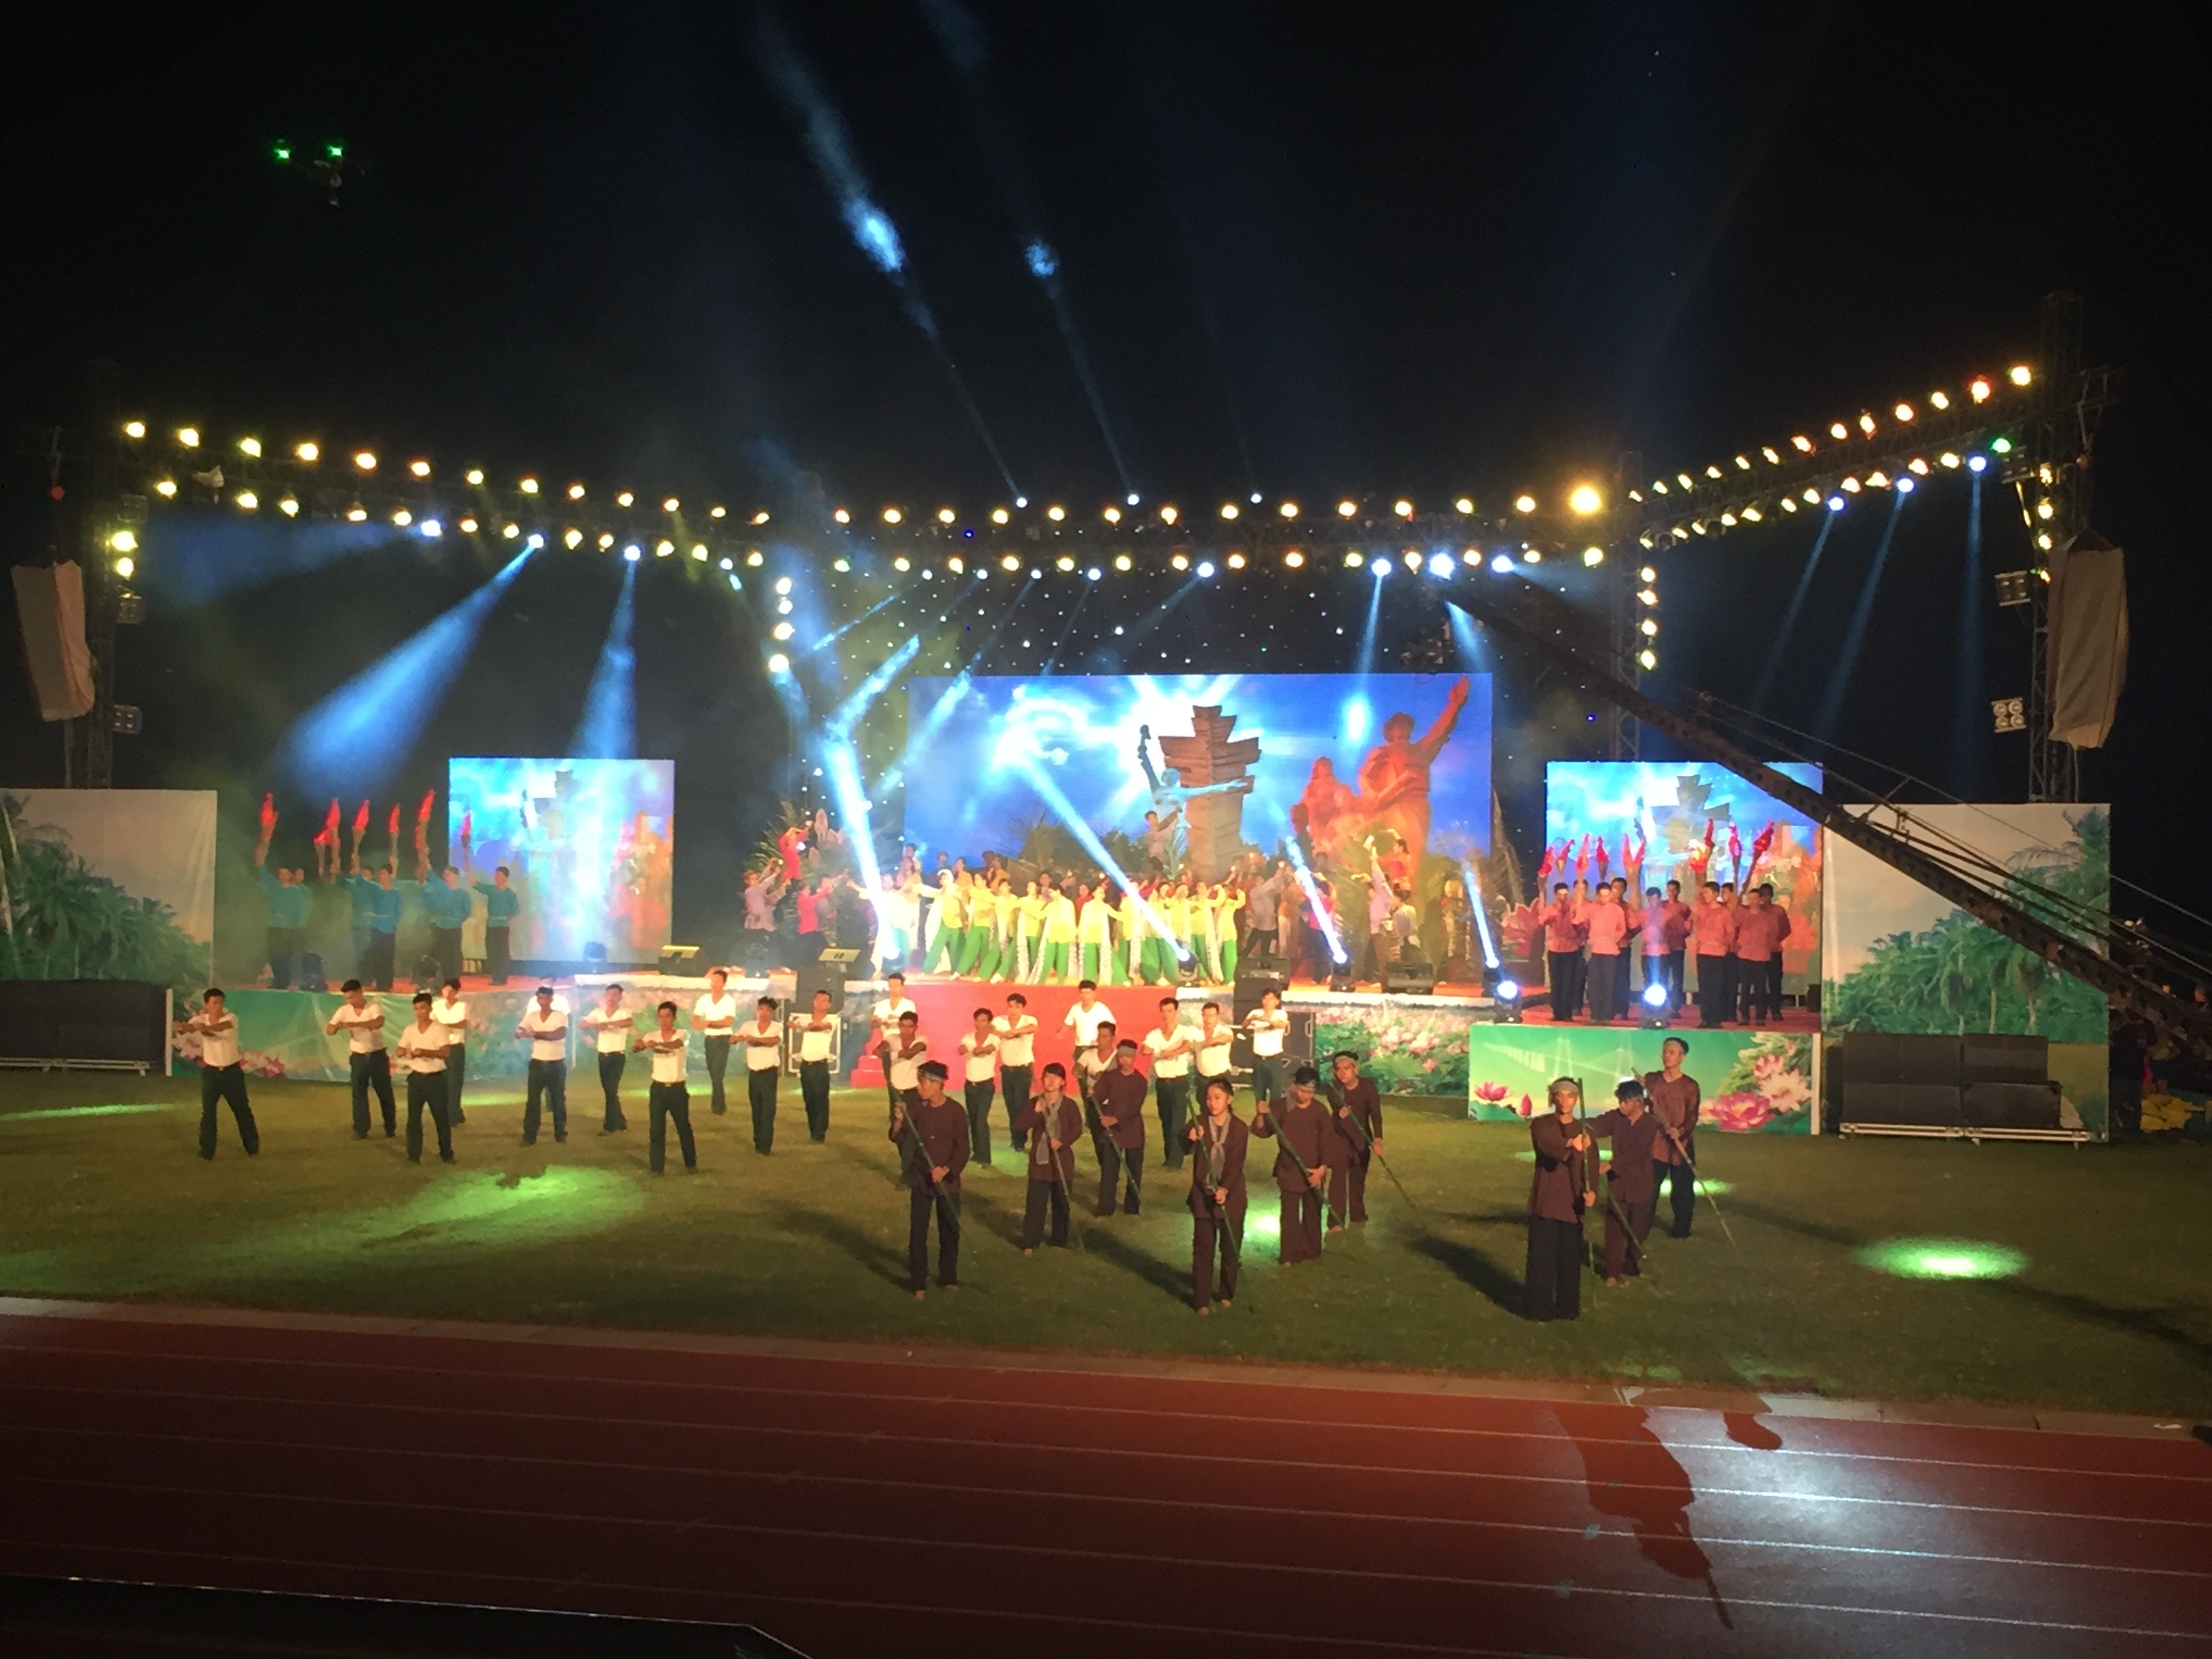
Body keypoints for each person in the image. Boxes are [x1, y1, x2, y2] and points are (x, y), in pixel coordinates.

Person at [890, 1061, 969, 1298]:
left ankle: (949, 1276)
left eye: (923, 1082)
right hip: (921, 1179)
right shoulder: (916, 1109)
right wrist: (898, 1120)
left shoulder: (956, 1112)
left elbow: (963, 1149)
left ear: (937, 1084)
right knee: (918, 1231)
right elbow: (899, 1138)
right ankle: (918, 1281)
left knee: (949, 1230)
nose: (919, 1087)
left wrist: (946, 1169)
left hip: (947, 1182)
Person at [1525, 1078, 1595, 1322]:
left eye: (1570, 1096)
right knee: (1541, 1259)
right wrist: (1570, 1144)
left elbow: (1591, 1164)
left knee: (1570, 1260)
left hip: (1573, 1203)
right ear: (1553, 1098)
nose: (1565, 1101)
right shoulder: (1541, 1124)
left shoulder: (1585, 1131)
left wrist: (1591, 1191)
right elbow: (1547, 1146)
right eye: (1560, 1095)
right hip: (1546, 1201)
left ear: (1577, 1100)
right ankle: (1538, 1308)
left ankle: (1567, 1308)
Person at [1584, 1078, 1662, 1286]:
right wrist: (1581, 1128)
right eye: (1620, 1101)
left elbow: (1637, 1151)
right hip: (1618, 1184)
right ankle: (1612, 1271)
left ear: (1637, 1102)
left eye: (1624, 1102)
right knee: (1614, 1227)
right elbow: (1597, 1125)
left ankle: (1632, 1265)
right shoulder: (1617, 1118)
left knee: (1638, 1228)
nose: (1621, 1106)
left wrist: (1611, 1165)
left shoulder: (1650, 1123)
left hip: (1641, 1182)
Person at [1184, 1075, 1250, 1312]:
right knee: (1203, 1250)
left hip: (1232, 1197)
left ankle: (1226, 1292)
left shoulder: (1240, 1128)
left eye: (1217, 1098)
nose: (1212, 1103)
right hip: (1203, 1196)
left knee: (1230, 1249)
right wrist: (1190, 1137)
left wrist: (1225, 1188)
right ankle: (1201, 1299)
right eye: (1209, 1098)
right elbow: (1183, 1146)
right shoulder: (1199, 1122)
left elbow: (1236, 1162)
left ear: (1229, 1099)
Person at [1252, 1064, 1328, 1263]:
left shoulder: (1320, 1111)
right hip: (1289, 1169)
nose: (1306, 1096)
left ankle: (1312, 1250)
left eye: (1310, 1092)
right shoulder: (1282, 1107)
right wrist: (1261, 1114)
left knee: (1313, 1212)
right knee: (1289, 1215)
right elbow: (1262, 1131)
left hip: (1314, 1171)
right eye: (1302, 1091)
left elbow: (1327, 1142)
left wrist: (1321, 1170)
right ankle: (1289, 1254)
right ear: (1295, 1086)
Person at [179, 989, 258, 1159]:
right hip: (211, 1073)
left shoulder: (231, 1018)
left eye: (221, 1003)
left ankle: (252, 1147)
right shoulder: (201, 1020)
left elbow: (221, 1028)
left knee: (242, 1110)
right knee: (208, 1112)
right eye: (214, 1003)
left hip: (232, 1073)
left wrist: (202, 1028)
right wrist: (182, 1027)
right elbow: (189, 1028)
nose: (218, 1007)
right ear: (206, 1005)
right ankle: (207, 1151)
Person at [1015, 1061, 1082, 1253]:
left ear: (1063, 1082)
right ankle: (1030, 1241)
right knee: (1035, 1204)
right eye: (1047, 1077)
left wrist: (1063, 1141)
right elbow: (1020, 1126)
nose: (1051, 1081)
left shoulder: (1069, 1105)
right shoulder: (1035, 1103)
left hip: (1062, 1161)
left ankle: (1059, 1240)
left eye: (1056, 1077)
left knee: (1061, 1203)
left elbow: (1077, 1128)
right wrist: (1035, 1112)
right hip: (1040, 1162)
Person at [1645, 1036, 1702, 1238]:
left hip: (1680, 1143)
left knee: (1683, 1191)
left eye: (1671, 1052)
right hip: (1655, 1143)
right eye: (1665, 1052)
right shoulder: (1651, 1080)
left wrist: (1681, 1131)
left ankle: (1682, 1229)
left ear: (1681, 1057)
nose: (1666, 1056)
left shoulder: (1690, 1086)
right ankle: (1642, 1224)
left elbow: (1693, 1114)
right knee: (1649, 1187)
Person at [1322, 1049, 1384, 1228]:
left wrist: (1378, 1139)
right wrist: (1339, 1112)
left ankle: (1358, 1215)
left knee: (1358, 1180)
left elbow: (1375, 1114)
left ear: (1355, 1069)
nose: (1342, 1073)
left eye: (1347, 1069)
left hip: (1361, 1139)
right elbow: (1336, 1111)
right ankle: (1336, 1221)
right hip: (1339, 1138)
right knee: (1338, 1181)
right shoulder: (1334, 1088)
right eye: (1338, 1069)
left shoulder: (1367, 1088)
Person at [327, 979, 396, 1139]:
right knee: (358, 1094)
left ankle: (390, 1126)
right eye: (347, 998)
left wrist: (354, 1024)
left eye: (352, 997)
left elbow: (379, 1022)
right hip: (358, 1057)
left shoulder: (373, 1006)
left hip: (377, 1056)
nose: (350, 1001)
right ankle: (361, 1128)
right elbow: (329, 1029)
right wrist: (336, 1027)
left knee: (384, 1092)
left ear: (360, 992)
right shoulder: (344, 1010)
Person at [634, 1000, 696, 1174]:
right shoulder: (651, 1036)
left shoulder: (683, 1034)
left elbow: (675, 1045)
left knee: (683, 1127)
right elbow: (638, 1046)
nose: (664, 1020)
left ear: (674, 1018)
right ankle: (656, 1168)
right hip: (658, 1089)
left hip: (677, 1089)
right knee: (656, 1130)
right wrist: (639, 1044)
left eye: (668, 1016)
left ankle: (691, 1164)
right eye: (661, 1017)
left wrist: (656, 1045)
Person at [395, 991, 456, 1165]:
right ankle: (413, 1155)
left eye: (422, 1008)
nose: (419, 1012)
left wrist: (424, 1052)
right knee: (413, 1119)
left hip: (435, 1079)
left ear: (430, 1008)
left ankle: (446, 1153)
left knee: (441, 1118)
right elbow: (399, 1049)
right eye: (416, 1009)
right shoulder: (410, 1029)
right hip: (416, 1079)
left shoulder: (440, 1029)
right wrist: (403, 1051)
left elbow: (445, 1052)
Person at [1092, 1038, 1149, 1216]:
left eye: (1128, 1057)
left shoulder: (1140, 1081)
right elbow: (1098, 1097)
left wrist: (1115, 1119)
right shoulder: (1110, 1077)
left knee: (1134, 1171)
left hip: (1132, 1130)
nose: (1124, 1060)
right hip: (1112, 1132)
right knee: (1109, 1171)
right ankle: (1105, 1208)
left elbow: (1134, 1108)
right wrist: (1093, 1093)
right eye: (1121, 1057)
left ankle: (1132, 1208)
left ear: (1134, 1058)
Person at [1142, 997, 1195, 1170]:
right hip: (1162, 1082)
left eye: (1170, 1011)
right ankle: (1169, 1157)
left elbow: (1187, 1046)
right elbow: (1145, 1047)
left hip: (1179, 1081)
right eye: (1164, 1011)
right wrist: (1146, 1049)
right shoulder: (1155, 1035)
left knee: (1177, 1123)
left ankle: (1175, 1160)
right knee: (1166, 1121)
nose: (1167, 1015)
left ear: (1176, 1012)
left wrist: (1170, 1053)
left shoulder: (1184, 1031)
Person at [253, 840, 312, 990]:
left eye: (286, 873)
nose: (283, 876)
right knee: (274, 955)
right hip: (274, 926)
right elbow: (260, 868)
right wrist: (263, 847)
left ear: (290, 875)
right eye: (281, 873)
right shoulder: (273, 886)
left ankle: (287, 981)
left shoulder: (296, 891)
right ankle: (279, 981)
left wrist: (298, 927)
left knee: (287, 956)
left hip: (290, 928)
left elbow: (300, 910)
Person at [516, 985, 569, 1145]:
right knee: (533, 1100)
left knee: (558, 1099)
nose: (543, 1001)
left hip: (556, 1063)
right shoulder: (532, 1016)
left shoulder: (559, 1015)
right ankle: (530, 1135)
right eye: (540, 998)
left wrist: (536, 1034)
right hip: (537, 1063)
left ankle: (560, 1133)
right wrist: (522, 1033)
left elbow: (559, 1034)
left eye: (546, 998)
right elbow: (520, 1031)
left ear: (551, 999)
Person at [579, 984, 634, 1132]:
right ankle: (620, 1121)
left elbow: (628, 1022)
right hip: (603, 1056)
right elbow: (582, 1024)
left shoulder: (623, 1012)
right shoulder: (599, 1012)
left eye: (615, 995)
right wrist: (595, 1025)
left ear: (620, 996)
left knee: (611, 1089)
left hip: (617, 1056)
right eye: (609, 994)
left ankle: (610, 1125)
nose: (611, 998)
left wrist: (608, 1024)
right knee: (610, 1090)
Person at [869, 972, 918, 1119]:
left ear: (902, 987)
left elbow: (910, 1022)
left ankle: (909, 1112)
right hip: (888, 1047)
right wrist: (878, 1021)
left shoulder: (908, 1004)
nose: (893, 989)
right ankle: (895, 1115)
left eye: (896, 985)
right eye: (890, 985)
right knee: (891, 1082)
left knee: (906, 1081)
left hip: (904, 1047)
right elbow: (874, 1023)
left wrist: (892, 1019)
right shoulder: (881, 1005)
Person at [692, 968, 739, 1117]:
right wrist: (702, 1024)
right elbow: (695, 1019)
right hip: (709, 1040)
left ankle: (718, 1106)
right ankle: (720, 1103)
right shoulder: (704, 1000)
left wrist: (708, 1023)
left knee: (718, 1072)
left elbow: (728, 1022)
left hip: (723, 1039)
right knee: (713, 1072)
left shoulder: (729, 1001)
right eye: (713, 981)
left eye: (718, 981)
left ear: (724, 983)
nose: (714, 984)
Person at [956, 1006, 1000, 1166]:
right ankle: (977, 1153)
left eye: (984, 1021)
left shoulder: (994, 1039)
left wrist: (977, 1049)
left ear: (989, 1023)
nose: (980, 1024)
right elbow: (961, 1049)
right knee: (974, 1120)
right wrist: (965, 1048)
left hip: (985, 1086)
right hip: (970, 1085)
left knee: (981, 1120)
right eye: (978, 1020)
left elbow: (988, 1049)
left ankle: (985, 1156)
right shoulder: (968, 1038)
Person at [996, 992, 1038, 1155]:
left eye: (1017, 1007)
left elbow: (1033, 1028)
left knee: (1021, 1105)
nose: (1013, 1010)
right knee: (1010, 1106)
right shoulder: (1000, 1021)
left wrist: (1015, 1031)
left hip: (1023, 1070)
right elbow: (992, 1030)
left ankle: (1020, 1140)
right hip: (1007, 1070)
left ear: (1023, 1008)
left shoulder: (1028, 1020)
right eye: (1010, 1006)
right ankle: (1016, 1139)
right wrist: (1004, 1034)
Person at [794, 987, 839, 1142]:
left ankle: (820, 1132)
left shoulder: (832, 1019)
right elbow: (791, 1024)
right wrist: (799, 1026)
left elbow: (821, 1027)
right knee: (809, 1099)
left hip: (820, 1065)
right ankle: (813, 1129)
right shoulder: (805, 1018)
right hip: (805, 1064)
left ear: (829, 1005)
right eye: (818, 999)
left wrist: (804, 1027)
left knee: (821, 1098)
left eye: (824, 1001)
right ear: (813, 1001)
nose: (820, 1003)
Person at [416, 865, 472, 985]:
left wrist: (456, 920)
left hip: (455, 927)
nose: (446, 877)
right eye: (445, 875)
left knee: (454, 953)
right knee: (441, 953)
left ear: (456, 876)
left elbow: (467, 911)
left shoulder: (463, 894)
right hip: (440, 926)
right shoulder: (441, 892)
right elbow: (430, 901)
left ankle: (454, 979)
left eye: (449, 875)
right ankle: (441, 977)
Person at [1583, 883, 1629, 1025]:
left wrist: (1613, 939)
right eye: (1602, 896)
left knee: (1608, 983)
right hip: (1594, 950)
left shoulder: (1617, 910)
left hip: (1610, 950)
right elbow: (1579, 922)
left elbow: (1622, 928)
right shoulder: (1590, 908)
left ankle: (1606, 1016)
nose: (1605, 899)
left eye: (1607, 896)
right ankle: (1595, 1015)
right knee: (1594, 983)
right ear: (1597, 895)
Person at [1692, 882, 1735, 1029]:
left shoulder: (1724, 912)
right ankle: (1705, 1018)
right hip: (1703, 952)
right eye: (1704, 893)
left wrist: (1723, 945)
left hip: (1718, 953)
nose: (1705, 896)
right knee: (1704, 986)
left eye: (1707, 893)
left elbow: (1730, 933)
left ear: (1716, 894)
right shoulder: (1701, 910)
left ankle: (1716, 1019)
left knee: (1717, 987)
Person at [1538, 882, 1583, 1021]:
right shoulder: (1551, 909)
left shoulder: (1573, 907)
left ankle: (1567, 1012)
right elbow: (1541, 922)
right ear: (1555, 895)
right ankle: (1557, 1012)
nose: (1563, 897)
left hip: (1571, 947)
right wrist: (1550, 917)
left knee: (1569, 981)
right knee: (1556, 981)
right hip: (1555, 948)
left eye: (1565, 894)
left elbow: (1581, 923)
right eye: (1560, 895)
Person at [472, 863, 521, 985]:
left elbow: (514, 911)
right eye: (496, 875)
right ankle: (495, 977)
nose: (496, 878)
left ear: (506, 878)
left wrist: (503, 919)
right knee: (492, 951)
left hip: (503, 927)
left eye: (499, 875)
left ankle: (502, 977)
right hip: (491, 925)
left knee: (503, 952)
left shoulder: (510, 894)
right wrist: (468, 867)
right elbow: (475, 884)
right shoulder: (491, 890)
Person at [430, 978, 470, 1126]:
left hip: (456, 1048)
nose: (447, 993)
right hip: (441, 1048)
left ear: (457, 992)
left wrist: (445, 1026)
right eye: (445, 989)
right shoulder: (436, 1006)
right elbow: (431, 1023)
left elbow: (463, 1023)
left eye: (451, 991)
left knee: (455, 1083)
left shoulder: (462, 1006)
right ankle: (453, 1113)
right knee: (442, 1082)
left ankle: (452, 1115)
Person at [1244, 986, 1290, 1109]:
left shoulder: (1280, 1014)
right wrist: (1251, 1019)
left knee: (1275, 1093)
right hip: (1258, 1059)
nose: (1268, 1002)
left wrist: (1268, 1020)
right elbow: (1243, 1025)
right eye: (1265, 998)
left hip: (1274, 1060)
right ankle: (1260, 1118)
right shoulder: (1255, 1012)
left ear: (1277, 1001)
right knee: (1259, 1093)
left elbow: (1282, 1025)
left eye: (1271, 999)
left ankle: (1275, 1118)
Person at [1192, 1001, 1234, 1115]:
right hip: (1203, 1077)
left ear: (1217, 1017)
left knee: (1223, 1109)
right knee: (1204, 1108)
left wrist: (1212, 1041)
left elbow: (1228, 1038)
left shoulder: (1223, 1031)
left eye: (1211, 1016)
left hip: (1220, 1076)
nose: (1208, 1019)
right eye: (1205, 1016)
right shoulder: (1197, 1033)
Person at [885, 1010, 927, 1118]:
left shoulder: (921, 1040)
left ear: (916, 1028)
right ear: (899, 1026)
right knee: (896, 1121)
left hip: (915, 1089)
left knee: (915, 1120)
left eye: (910, 1027)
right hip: (895, 1089)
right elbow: (878, 1050)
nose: (906, 1030)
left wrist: (893, 1053)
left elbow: (909, 1054)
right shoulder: (892, 1039)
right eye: (903, 1026)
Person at [1661, 879, 1692, 1009]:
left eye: (1674, 890)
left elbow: (1688, 927)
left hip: (1678, 947)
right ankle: (1661, 1005)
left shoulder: (1684, 908)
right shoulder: (1661, 905)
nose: (1671, 893)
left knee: (1677, 978)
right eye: (1669, 890)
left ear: (1679, 891)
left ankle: (1675, 1006)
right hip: (1664, 947)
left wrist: (1682, 932)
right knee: (1662, 977)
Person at [1039, 879, 1077, 984]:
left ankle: (1061, 979)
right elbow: (1041, 915)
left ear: (1058, 891)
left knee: (1062, 956)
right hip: (1053, 932)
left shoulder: (1068, 903)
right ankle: (1043, 978)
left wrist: (1073, 935)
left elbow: (1072, 919)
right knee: (1048, 955)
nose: (1050, 895)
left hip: (1064, 932)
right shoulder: (1051, 905)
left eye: (1052, 892)